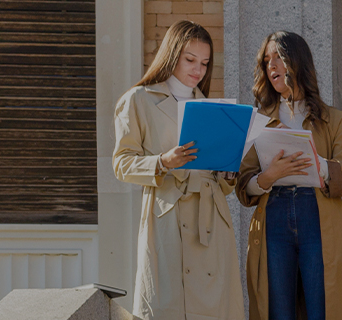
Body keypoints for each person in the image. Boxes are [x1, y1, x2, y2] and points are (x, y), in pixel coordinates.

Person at [112, 20, 245, 320]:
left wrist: (227, 174)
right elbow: (121, 163)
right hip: (169, 218)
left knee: (214, 308)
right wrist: (162, 162)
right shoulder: (139, 100)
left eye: (205, 63)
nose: (198, 70)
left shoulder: (211, 107)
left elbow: (217, 177)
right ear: (171, 54)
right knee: (168, 305)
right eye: (190, 60)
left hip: (211, 222)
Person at [235, 31, 342, 320]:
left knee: (323, 306)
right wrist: (268, 176)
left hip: (317, 213)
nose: (272, 65)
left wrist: (318, 163)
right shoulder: (259, 120)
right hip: (272, 215)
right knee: (277, 309)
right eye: (267, 60)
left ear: (298, 61)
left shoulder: (336, 120)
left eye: (278, 56)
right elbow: (243, 185)